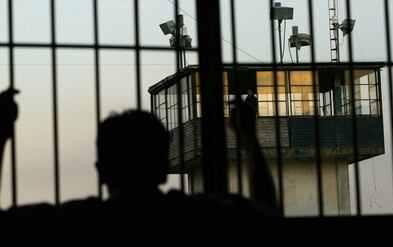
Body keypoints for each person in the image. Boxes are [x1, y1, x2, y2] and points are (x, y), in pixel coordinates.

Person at [0, 88, 279, 234]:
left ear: (102, 171)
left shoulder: (79, 221)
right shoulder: (196, 215)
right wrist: (249, 139)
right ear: (162, 168)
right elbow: (266, 212)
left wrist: (0, 134)